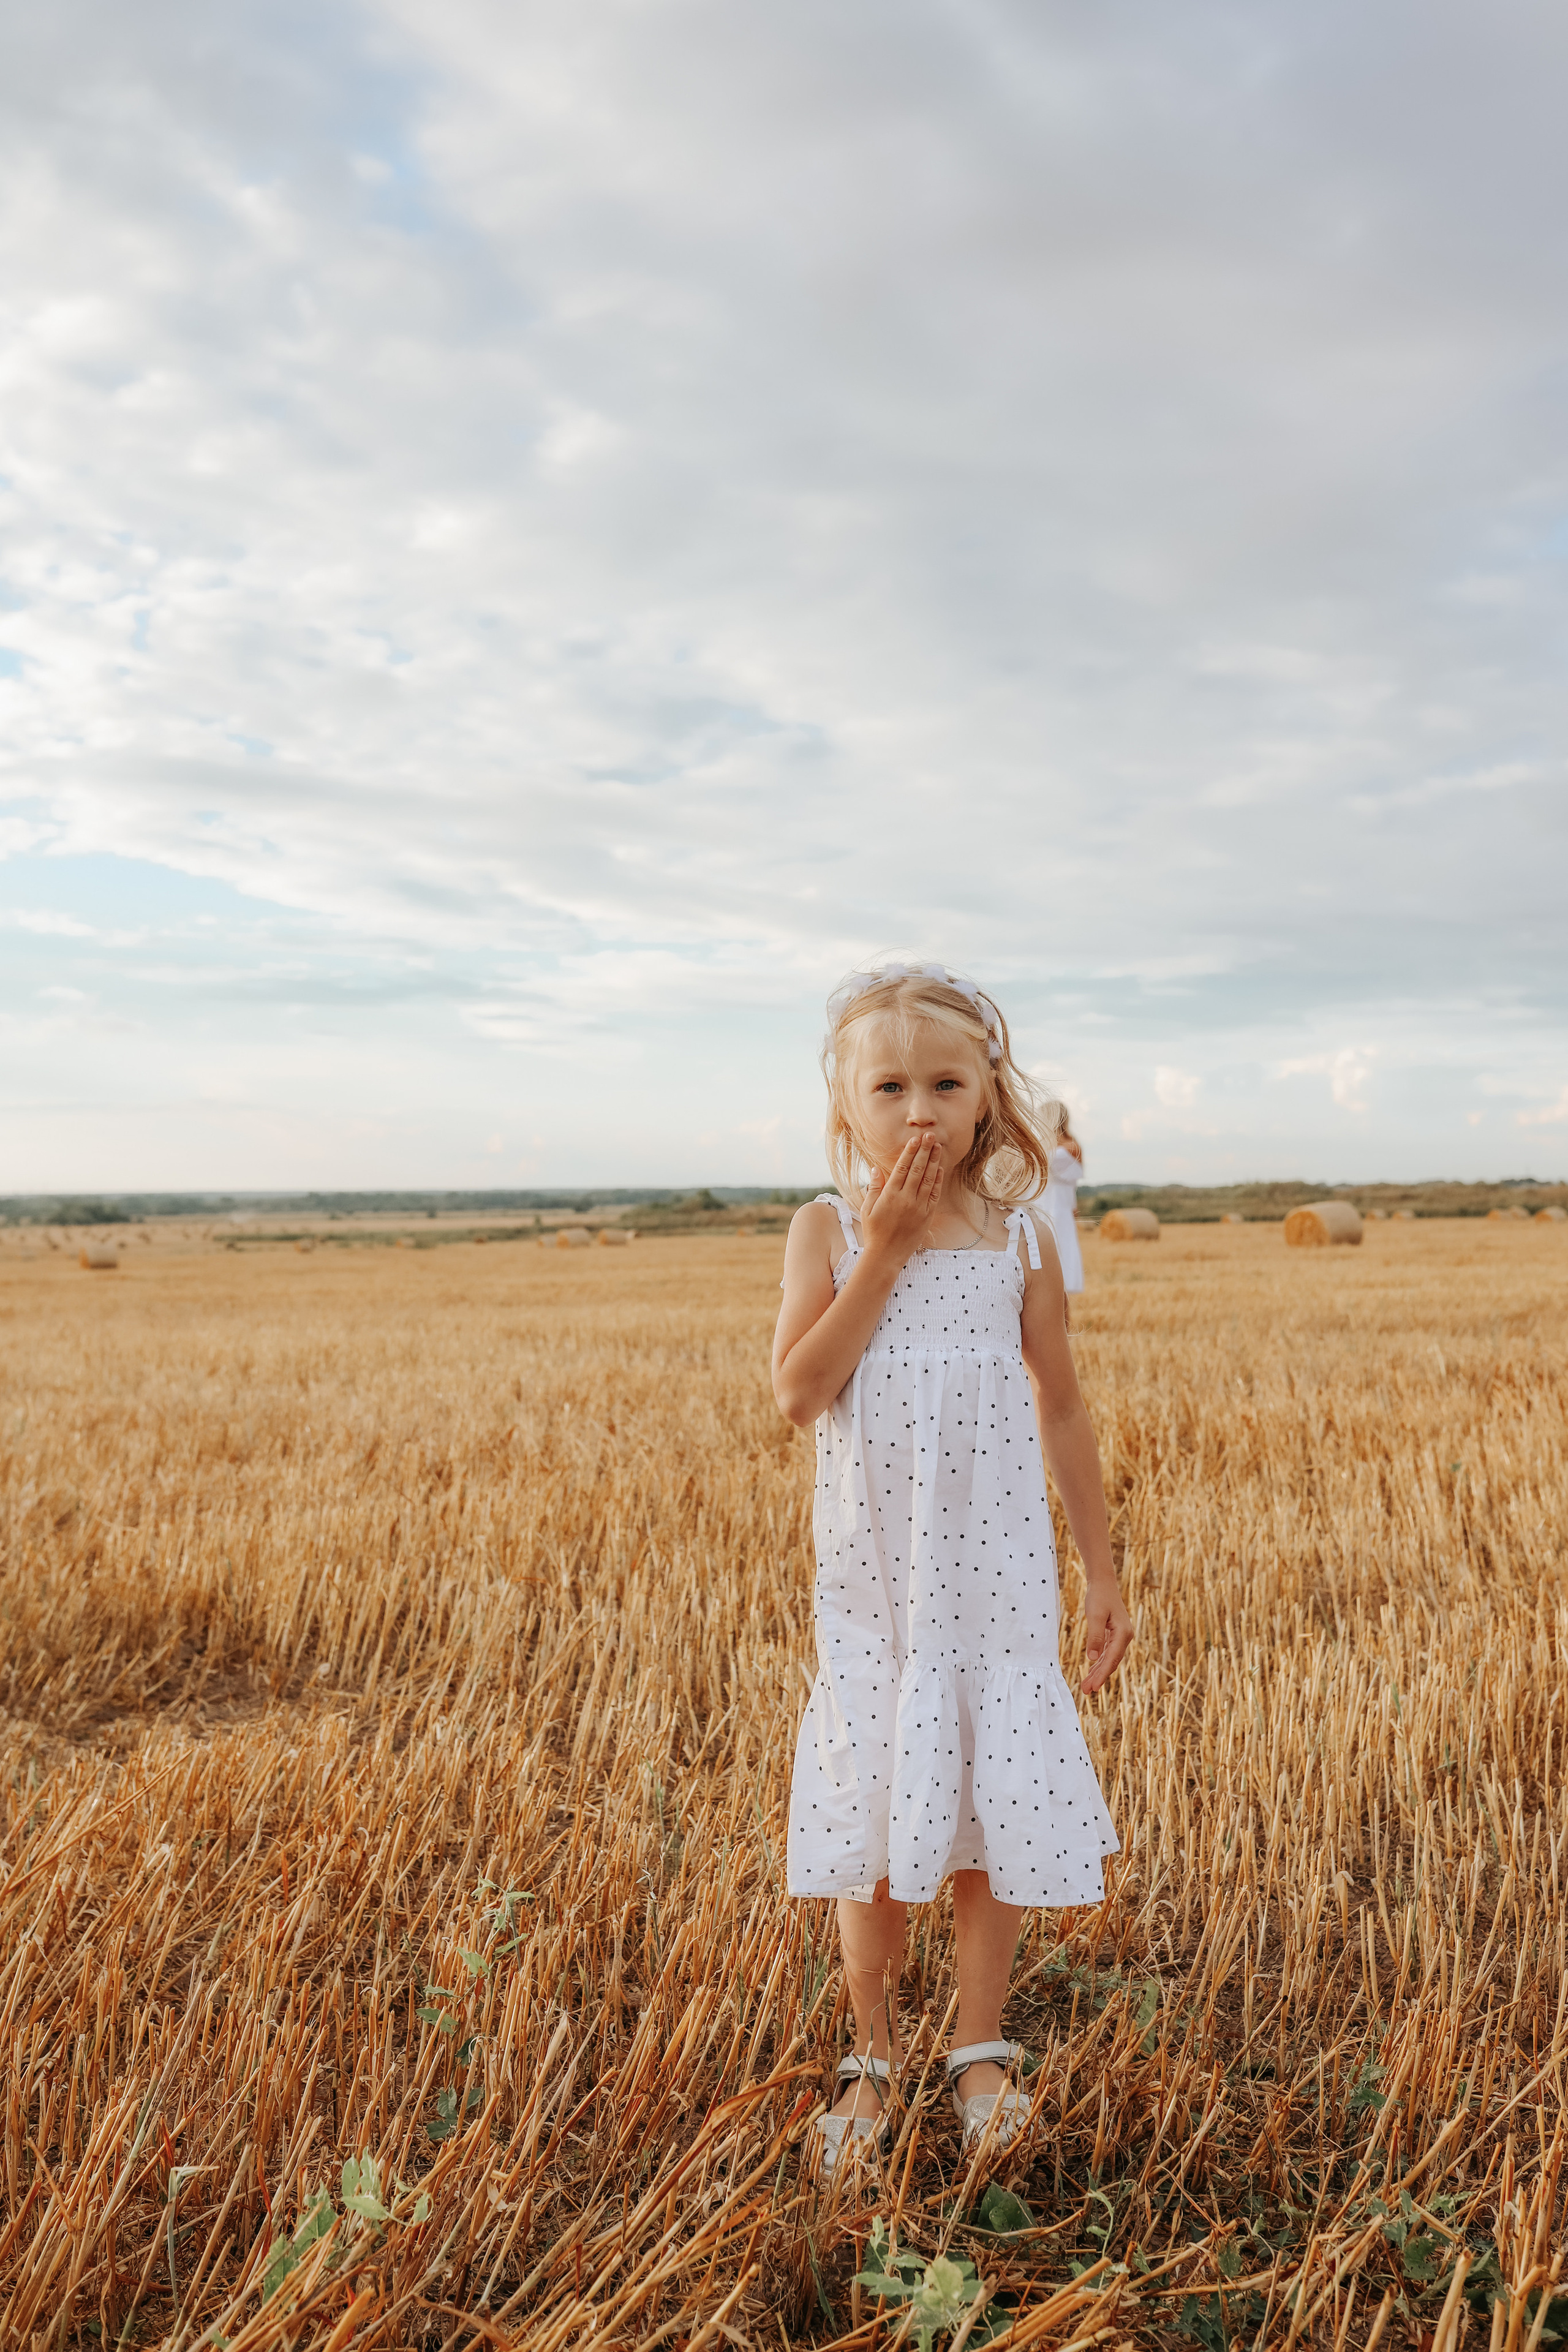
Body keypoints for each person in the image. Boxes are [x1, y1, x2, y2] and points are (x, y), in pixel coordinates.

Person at [772, 962, 1133, 2173]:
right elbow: (798, 1392)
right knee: (875, 1798)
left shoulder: (1023, 1235)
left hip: (993, 1565)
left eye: (945, 1081)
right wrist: (882, 1246)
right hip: (877, 1567)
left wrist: (1102, 1572)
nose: (917, 1108)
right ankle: (871, 2055)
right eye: (889, 1086)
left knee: (989, 1796)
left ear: (988, 1099)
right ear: (846, 1111)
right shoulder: (823, 1227)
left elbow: (1064, 1407)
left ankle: (977, 2046)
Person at [1039, 1110, 1085, 1295]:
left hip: (1058, 1209)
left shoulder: (1070, 1147)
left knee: (1060, 1261)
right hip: (1045, 1206)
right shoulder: (1048, 1147)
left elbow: (1046, 1161)